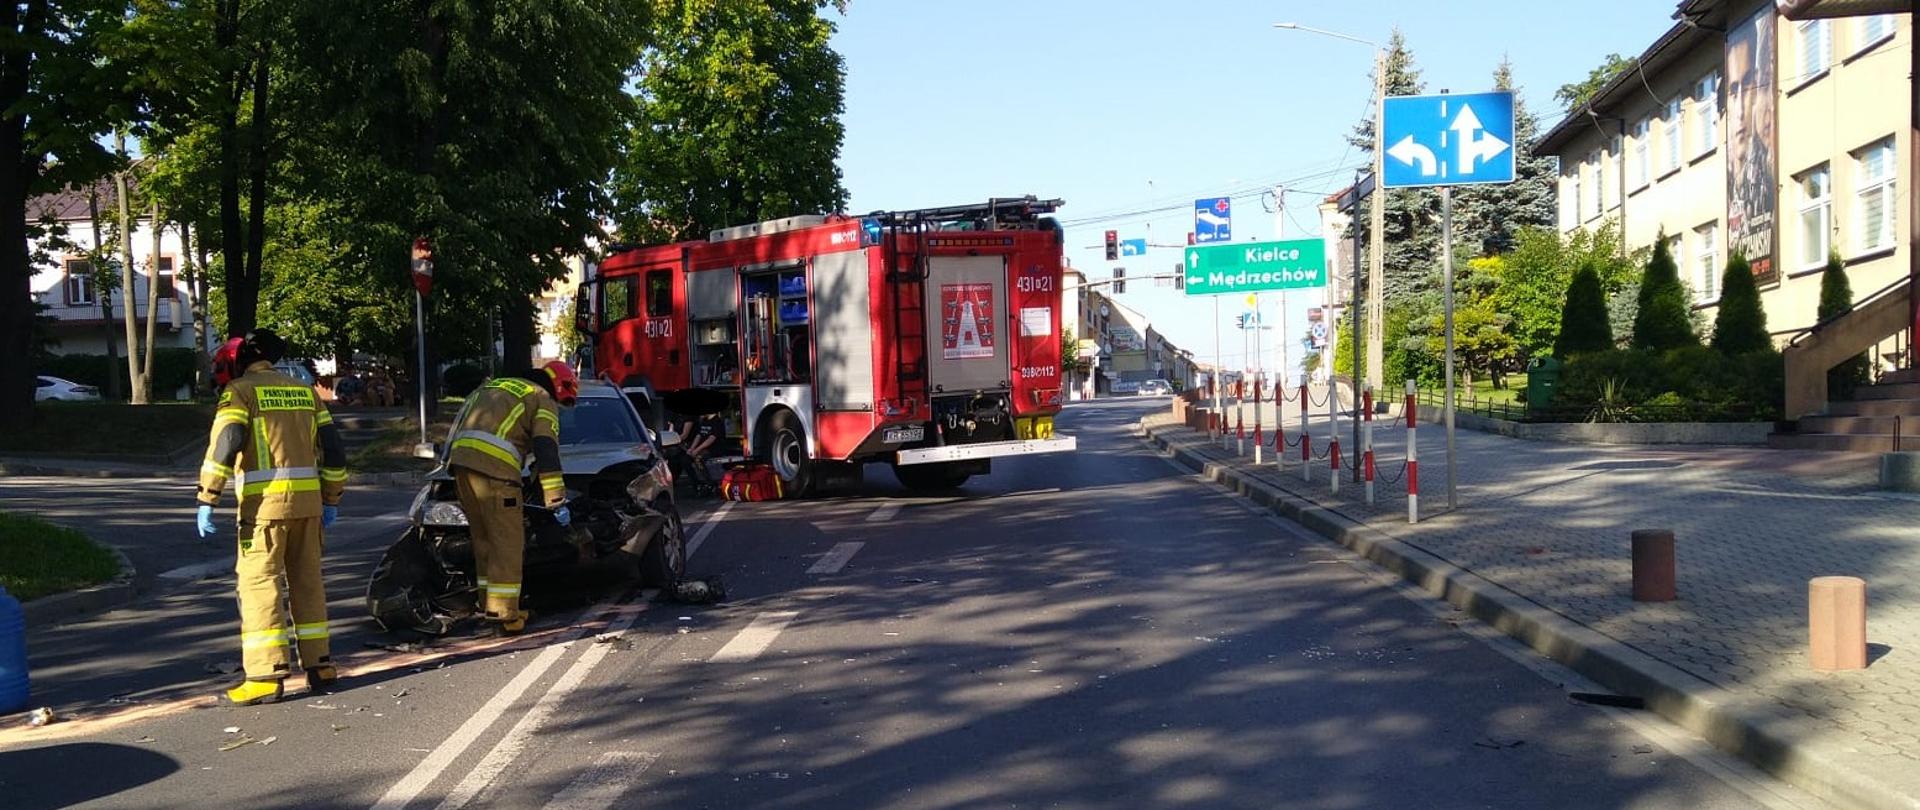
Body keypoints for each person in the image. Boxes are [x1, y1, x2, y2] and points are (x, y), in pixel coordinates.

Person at [194, 329, 348, 706]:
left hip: (264, 511)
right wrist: (331, 498)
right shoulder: (304, 391)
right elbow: (333, 449)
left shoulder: (241, 392)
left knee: (260, 587)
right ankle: (320, 665)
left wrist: (207, 497)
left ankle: (265, 676)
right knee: (308, 585)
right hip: (309, 508)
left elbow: (226, 443)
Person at [444, 361, 578, 635]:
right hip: (495, 473)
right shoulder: (542, 398)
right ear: (558, 387)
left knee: (483, 540)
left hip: (461, 467)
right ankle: (505, 614)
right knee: (507, 542)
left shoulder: (493, 387)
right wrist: (554, 495)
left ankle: (487, 603)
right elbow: (545, 445)